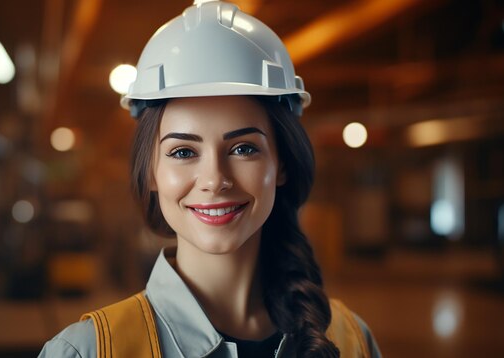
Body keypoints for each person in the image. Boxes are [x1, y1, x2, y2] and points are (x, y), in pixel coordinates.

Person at [39, 1, 382, 357]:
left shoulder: (351, 340)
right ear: (151, 172)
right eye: (183, 152)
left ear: (281, 165)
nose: (215, 180)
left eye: (243, 148)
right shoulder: (86, 351)